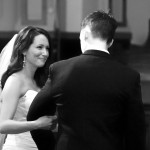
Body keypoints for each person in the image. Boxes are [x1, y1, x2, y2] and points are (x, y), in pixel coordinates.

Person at [27, 10, 146, 150]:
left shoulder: (60, 69)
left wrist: (49, 147)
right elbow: (136, 131)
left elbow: (34, 114)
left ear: (85, 34)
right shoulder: (129, 76)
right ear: (111, 42)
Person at [0, 26, 57, 150]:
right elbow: (2, 125)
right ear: (24, 50)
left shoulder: (42, 80)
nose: (45, 53)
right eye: (39, 47)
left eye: (47, 48)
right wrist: (36, 124)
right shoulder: (15, 81)